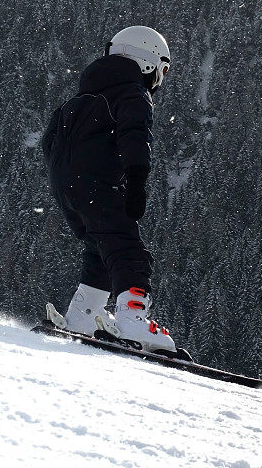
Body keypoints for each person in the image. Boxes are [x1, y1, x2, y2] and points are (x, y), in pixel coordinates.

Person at [42, 26, 175, 354]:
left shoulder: (79, 96)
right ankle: (132, 318)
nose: (160, 78)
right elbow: (135, 135)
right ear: (147, 60)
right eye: (162, 68)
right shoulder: (132, 93)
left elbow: (49, 141)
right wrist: (136, 180)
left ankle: (82, 317)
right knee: (128, 248)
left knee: (101, 247)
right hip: (98, 181)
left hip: (66, 185)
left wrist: (69, 183)